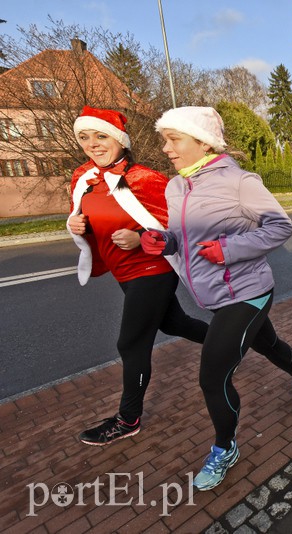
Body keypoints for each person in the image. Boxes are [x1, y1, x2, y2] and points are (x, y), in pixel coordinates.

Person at [140, 106, 292, 491]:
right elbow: (183, 237)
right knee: (268, 344)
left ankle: (225, 448)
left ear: (202, 142)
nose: (166, 147)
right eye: (165, 139)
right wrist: (164, 241)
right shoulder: (177, 187)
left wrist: (228, 249)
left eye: (174, 139)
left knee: (212, 376)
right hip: (215, 295)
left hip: (248, 291)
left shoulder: (239, 181)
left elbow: (280, 226)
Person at [67, 106, 208, 446]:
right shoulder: (83, 179)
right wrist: (74, 225)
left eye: (101, 136)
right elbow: (86, 218)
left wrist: (139, 238)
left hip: (152, 268)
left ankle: (128, 419)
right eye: (85, 137)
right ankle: (235, 338)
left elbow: (178, 227)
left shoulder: (144, 179)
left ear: (119, 140)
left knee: (131, 343)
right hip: (124, 273)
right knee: (174, 323)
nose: (93, 144)